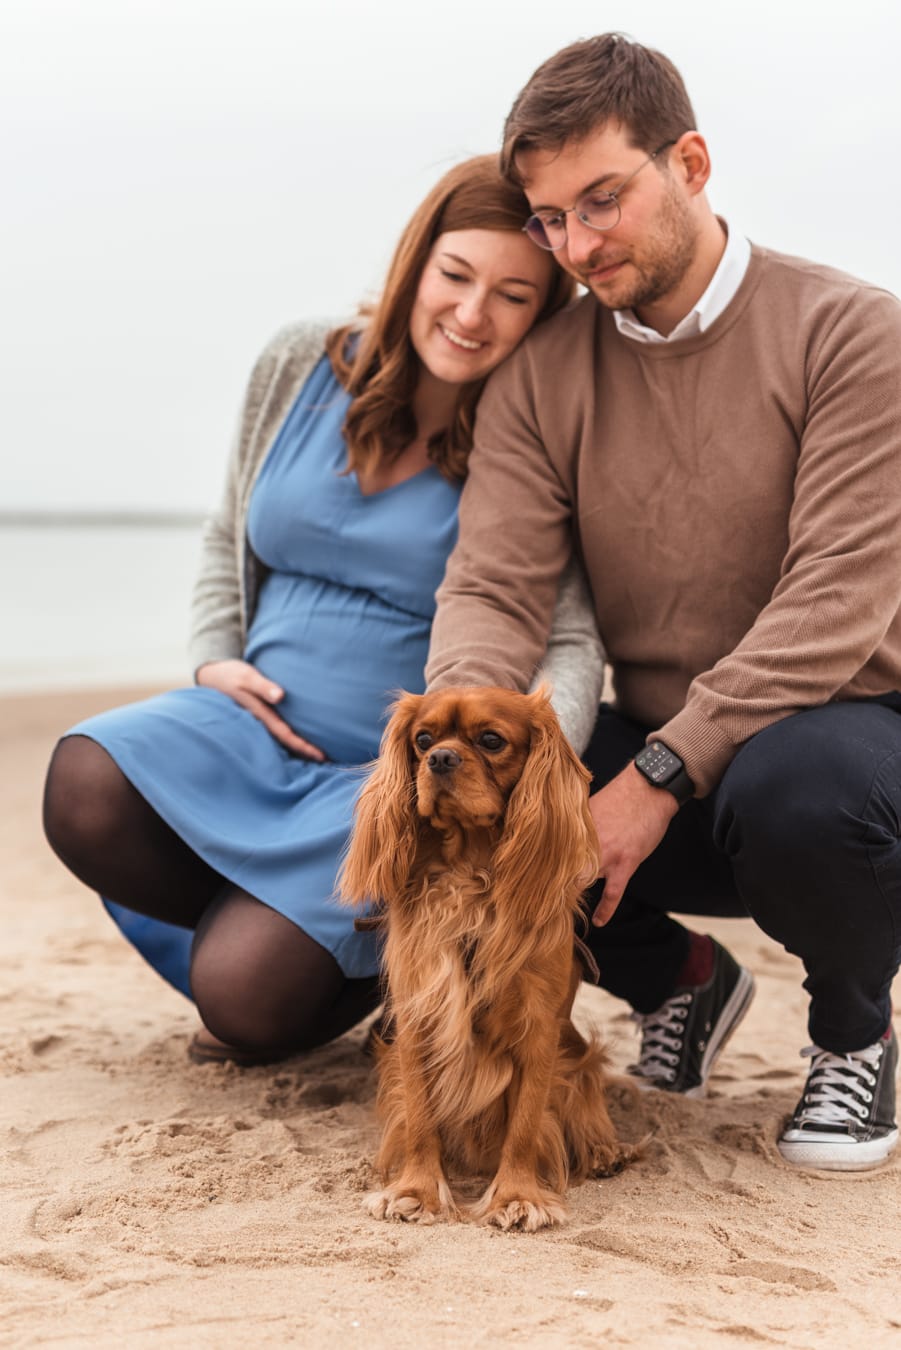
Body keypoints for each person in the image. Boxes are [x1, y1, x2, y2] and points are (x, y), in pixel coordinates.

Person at [426, 36, 901, 1171]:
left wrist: (657, 775)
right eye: (550, 219)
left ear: (687, 163)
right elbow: (493, 582)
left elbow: (834, 604)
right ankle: (677, 981)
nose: (576, 247)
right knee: (500, 775)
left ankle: (852, 1039)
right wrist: (455, 730)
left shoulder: (852, 332)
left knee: (806, 791)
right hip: (656, 744)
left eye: (603, 202)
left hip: (844, 731)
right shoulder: (544, 374)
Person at [42, 155, 602, 1066]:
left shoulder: (536, 428)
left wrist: (531, 770)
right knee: (85, 782)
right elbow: (230, 530)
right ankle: (362, 947)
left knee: (245, 1007)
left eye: (511, 295)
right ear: (415, 263)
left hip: (389, 775)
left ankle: (319, 956)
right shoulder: (301, 358)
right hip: (243, 727)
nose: (469, 313)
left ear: (543, 315)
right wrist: (212, 658)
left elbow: (573, 639)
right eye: (454, 276)